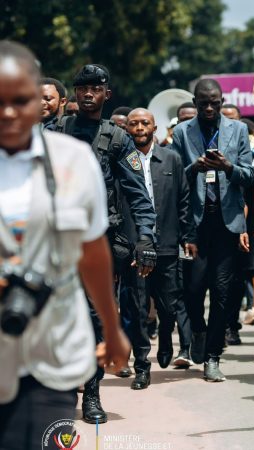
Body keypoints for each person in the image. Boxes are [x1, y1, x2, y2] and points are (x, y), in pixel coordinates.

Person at [0, 40, 130, 449]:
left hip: (54, 344)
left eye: (19, 100)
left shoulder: (75, 160)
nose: (7, 112)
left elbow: (93, 252)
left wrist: (113, 329)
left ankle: (89, 395)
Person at [53, 63, 157, 424]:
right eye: (81, 87)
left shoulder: (117, 138)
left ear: (106, 94)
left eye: (95, 88)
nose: (87, 93)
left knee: (97, 318)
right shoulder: (56, 130)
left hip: (99, 242)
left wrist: (145, 237)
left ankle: (92, 394)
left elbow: (138, 194)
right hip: (57, 240)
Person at [170, 78, 254, 382]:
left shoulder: (239, 130)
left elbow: (249, 176)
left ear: (222, 101)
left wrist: (227, 167)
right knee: (191, 290)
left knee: (222, 293)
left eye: (214, 102)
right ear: (194, 102)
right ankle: (200, 333)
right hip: (193, 225)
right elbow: (175, 177)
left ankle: (213, 356)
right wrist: (198, 167)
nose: (208, 107)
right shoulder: (181, 132)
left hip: (226, 224)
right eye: (203, 102)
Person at [126, 108, 196, 382]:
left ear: (155, 127)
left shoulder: (172, 159)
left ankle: (166, 335)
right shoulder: (123, 160)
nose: (140, 128)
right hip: (135, 247)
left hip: (167, 244)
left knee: (169, 304)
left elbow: (184, 202)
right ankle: (142, 366)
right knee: (139, 306)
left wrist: (187, 236)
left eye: (145, 123)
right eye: (134, 124)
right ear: (128, 129)